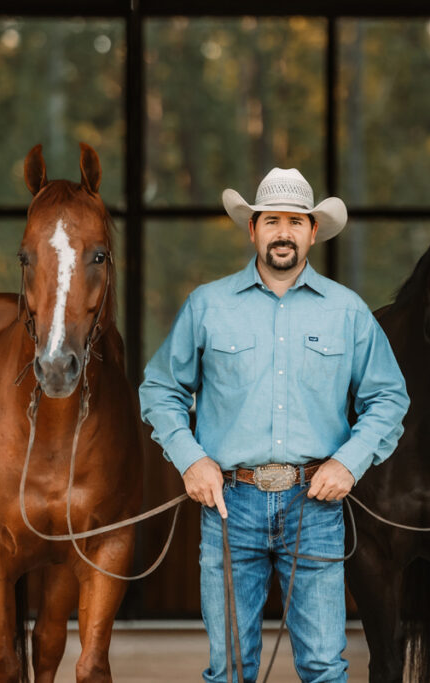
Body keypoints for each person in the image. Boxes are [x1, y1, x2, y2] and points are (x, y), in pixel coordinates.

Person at [139, 167, 409, 683]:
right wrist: (191, 459)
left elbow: (389, 398)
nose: (282, 232)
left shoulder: (347, 312)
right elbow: (159, 388)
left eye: (295, 222)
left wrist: (348, 464)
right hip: (228, 507)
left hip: (316, 505)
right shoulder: (207, 305)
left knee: (324, 668)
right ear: (252, 230)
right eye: (271, 221)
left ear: (312, 232)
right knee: (231, 670)